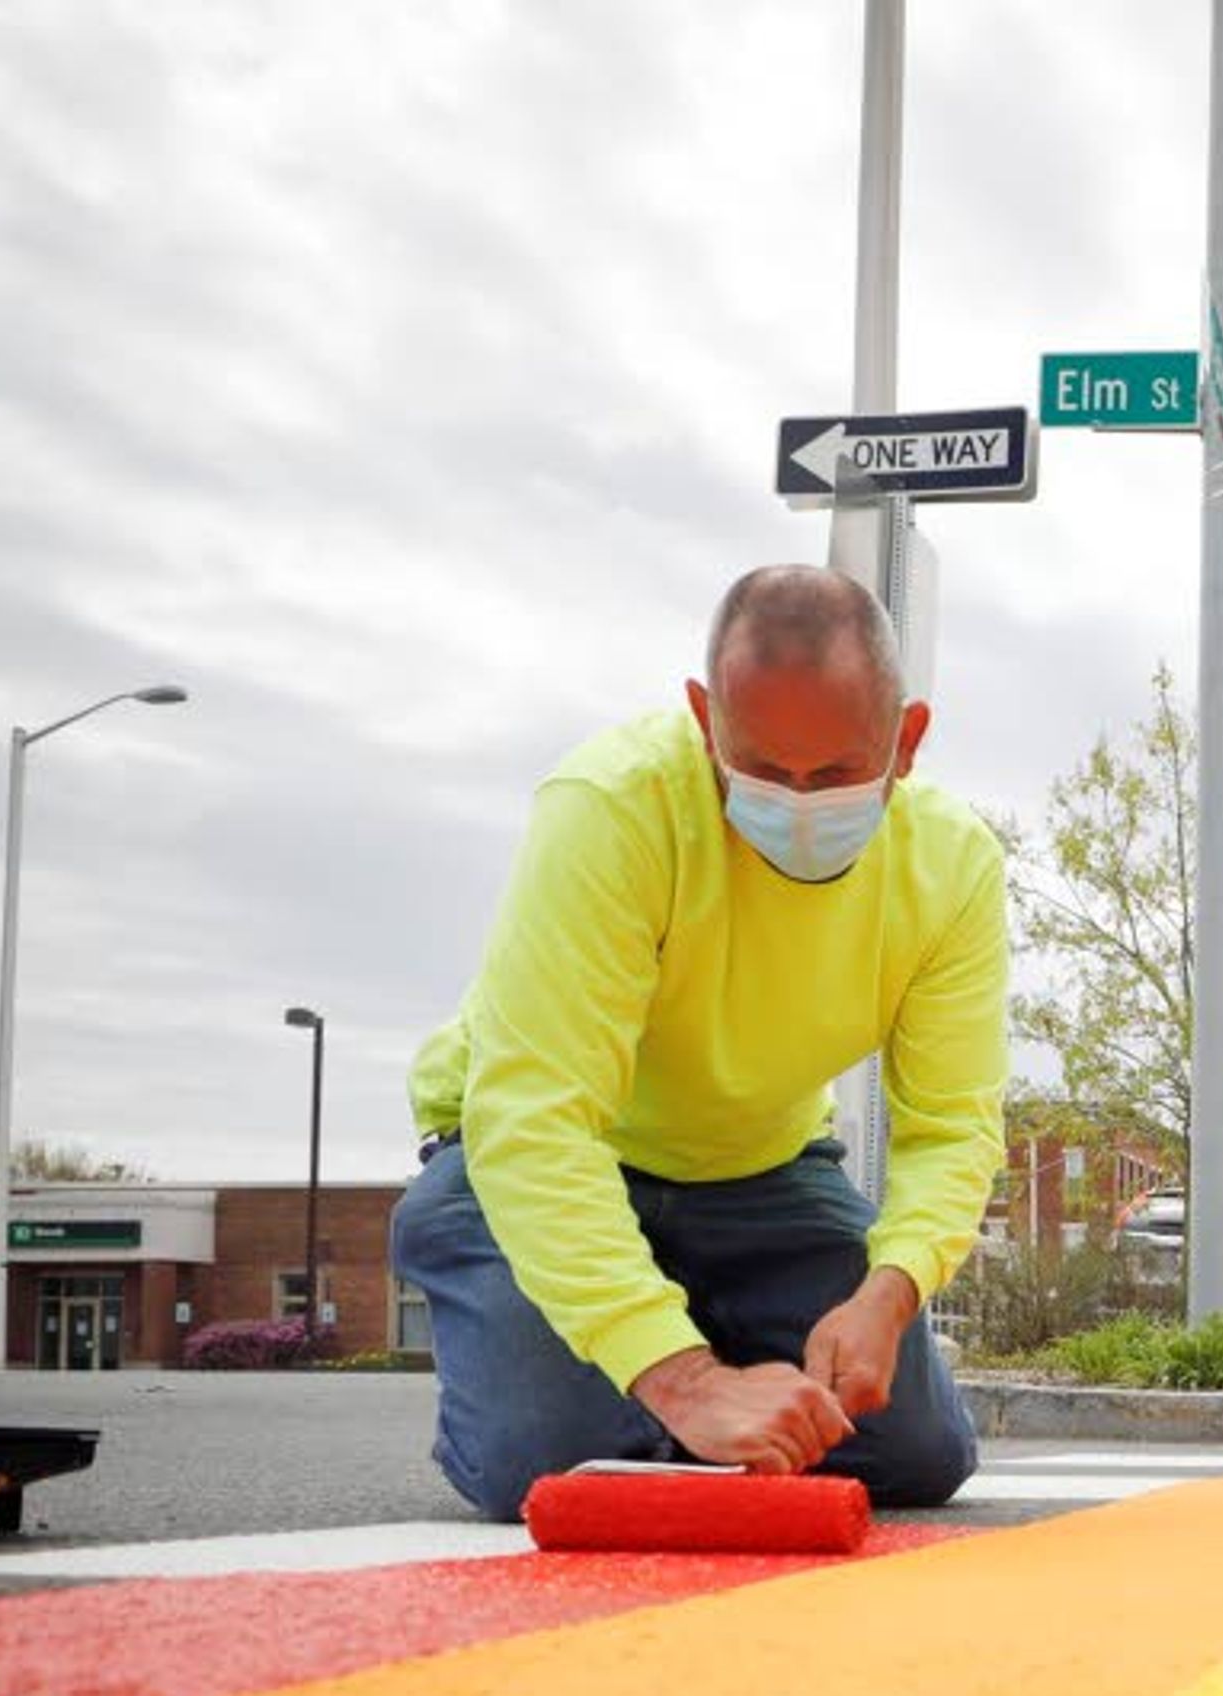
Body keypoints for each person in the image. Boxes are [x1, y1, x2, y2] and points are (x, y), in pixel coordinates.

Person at [390, 564, 1006, 1519]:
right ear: (702, 716)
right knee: (550, 1462)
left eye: (839, 774)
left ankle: (675, 1341)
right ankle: (631, 1347)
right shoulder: (609, 807)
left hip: (761, 1171)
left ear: (907, 739)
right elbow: (536, 1120)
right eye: (761, 769)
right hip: (542, 1163)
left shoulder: (955, 869)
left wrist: (889, 1291)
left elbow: (953, 1128)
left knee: (913, 1452)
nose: (799, 806)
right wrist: (684, 1379)